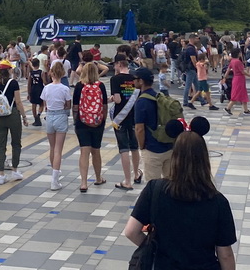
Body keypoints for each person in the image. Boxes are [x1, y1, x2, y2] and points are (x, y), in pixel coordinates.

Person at [123, 117, 236, 270]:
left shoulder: (155, 190)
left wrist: (153, 247)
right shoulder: (217, 201)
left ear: (175, 156)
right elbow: (225, 254)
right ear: (204, 159)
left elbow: (131, 231)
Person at [72, 61, 108, 192]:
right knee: (96, 151)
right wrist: (102, 120)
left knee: (84, 151)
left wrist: (77, 121)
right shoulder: (101, 86)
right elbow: (104, 106)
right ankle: (98, 178)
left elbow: (75, 106)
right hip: (98, 122)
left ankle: (83, 183)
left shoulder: (79, 86)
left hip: (82, 122)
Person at [134, 67, 174, 179]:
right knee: (171, 184)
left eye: (135, 79)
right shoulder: (159, 97)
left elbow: (139, 129)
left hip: (152, 149)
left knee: (153, 187)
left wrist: (142, 147)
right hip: (168, 146)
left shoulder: (142, 101)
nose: (133, 81)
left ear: (141, 81)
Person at [109, 54, 141, 190]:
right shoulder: (135, 78)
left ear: (118, 64)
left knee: (123, 149)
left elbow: (118, 100)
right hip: (135, 116)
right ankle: (136, 174)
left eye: (115, 65)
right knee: (134, 147)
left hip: (120, 118)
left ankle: (127, 180)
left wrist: (111, 99)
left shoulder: (115, 79)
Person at [0, 61, 26, 185]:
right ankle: (15, 170)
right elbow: (18, 101)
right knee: (16, 143)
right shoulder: (13, 83)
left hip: (0, 117)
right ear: (9, 71)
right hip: (13, 115)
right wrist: (24, 116)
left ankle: (1, 174)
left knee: (0, 146)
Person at [40, 61, 72, 190]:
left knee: (52, 148)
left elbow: (44, 102)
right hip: (61, 116)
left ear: (51, 73)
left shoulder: (46, 88)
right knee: (59, 149)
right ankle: (55, 179)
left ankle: (54, 171)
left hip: (50, 116)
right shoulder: (64, 88)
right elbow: (68, 104)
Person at [223, 48, 250, 116]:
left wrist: (224, 78)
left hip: (236, 78)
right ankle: (228, 108)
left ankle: (246, 110)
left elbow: (228, 70)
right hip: (239, 79)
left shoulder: (232, 61)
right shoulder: (238, 62)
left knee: (243, 94)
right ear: (238, 54)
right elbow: (243, 72)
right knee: (237, 94)